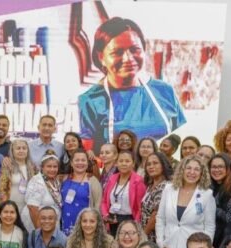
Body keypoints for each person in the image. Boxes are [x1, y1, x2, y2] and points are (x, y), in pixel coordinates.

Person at [78, 17, 186, 150]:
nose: (128, 58)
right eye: (117, 52)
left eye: (135, 49)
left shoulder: (164, 91)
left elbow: (183, 141)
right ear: (101, 57)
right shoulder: (90, 101)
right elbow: (87, 157)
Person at [156, 155, 216, 248]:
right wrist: (161, 244)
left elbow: (210, 226)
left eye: (196, 169)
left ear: (202, 173)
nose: (192, 172)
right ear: (182, 170)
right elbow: (160, 218)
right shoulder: (169, 189)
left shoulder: (207, 194)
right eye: (188, 168)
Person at [101, 150, 146, 236]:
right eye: (121, 161)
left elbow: (141, 207)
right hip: (111, 221)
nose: (124, 164)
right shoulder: (112, 178)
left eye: (127, 161)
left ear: (133, 164)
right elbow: (104, 201)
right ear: (116, 163)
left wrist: (135, 225)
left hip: (129, 221)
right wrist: (105, 215)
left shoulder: (138, 181)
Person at [0, 139, 38, 231]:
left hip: (28, 209)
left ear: (28, 150)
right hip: (10, 208)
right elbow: (2, 189)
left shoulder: (33, 167)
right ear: (12, 151)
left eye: (24, 148)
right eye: (18, 148)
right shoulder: (7, 166)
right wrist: (4, 206)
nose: (21, 150)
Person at [60, 149, 102, 235]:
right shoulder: (64, 178)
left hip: (86, 226)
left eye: (83, 160)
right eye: (77, 160)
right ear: (71, 163)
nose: (80, 163)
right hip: (65, 225)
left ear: (87, 163)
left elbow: (98, 204)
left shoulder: (92, 181)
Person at [25, 151, 62, 229]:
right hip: (41, 227)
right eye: (49, 166)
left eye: (55, 166)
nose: (52, 169)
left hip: (53, 226)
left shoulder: (56, 181)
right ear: (42, 167)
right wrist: (40, 231)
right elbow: (32, 208)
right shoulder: (37, 181)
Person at [140, 152, 172, 241]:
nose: (151, 166)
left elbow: (156, 215)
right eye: (148, 164)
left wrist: (143, 235)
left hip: (157, 237)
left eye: (155, 163)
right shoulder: (150, 186)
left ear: (163, 165)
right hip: (147, 235)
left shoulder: (165, 186)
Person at [209, 153, 231, 248]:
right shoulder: (208, 188)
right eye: (213, 167)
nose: (217, 170)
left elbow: (230, 218)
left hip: (224, 240)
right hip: (210, 237)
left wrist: (211, 207)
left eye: (220, 167)